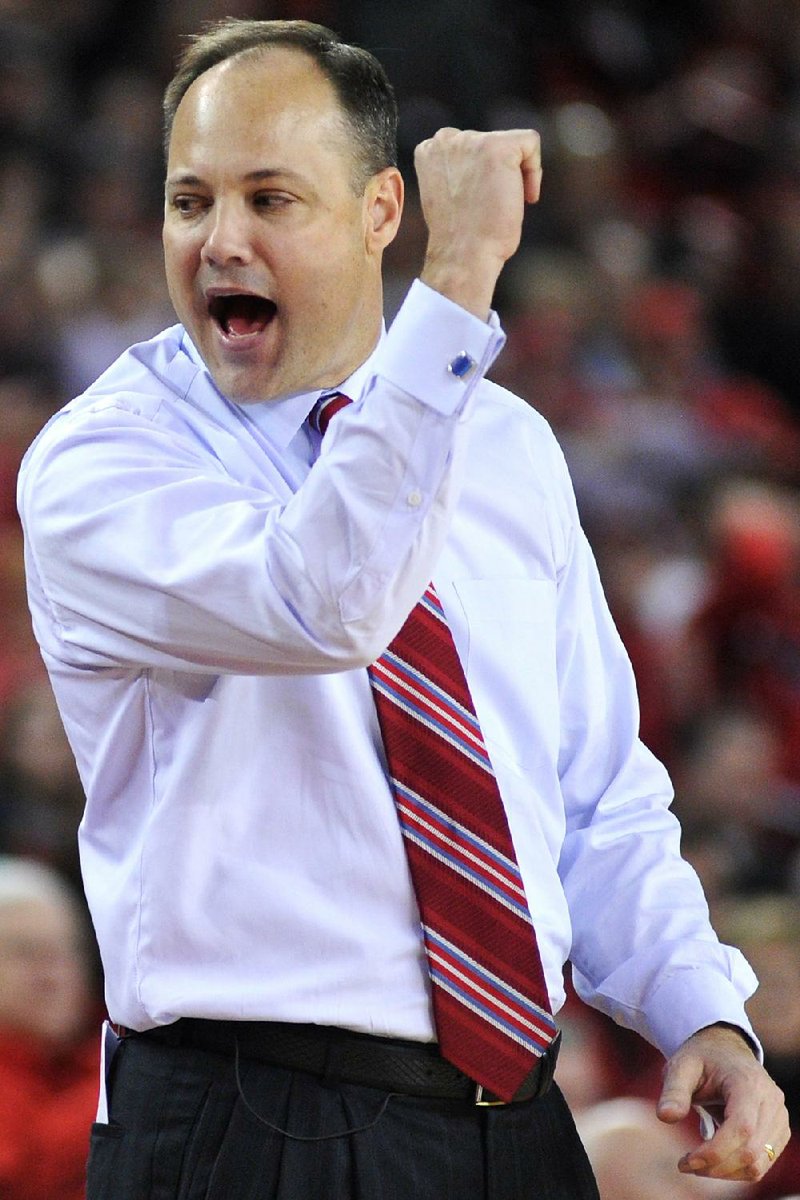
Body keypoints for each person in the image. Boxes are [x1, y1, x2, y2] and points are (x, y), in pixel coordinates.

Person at [16, 17, 789, 1200]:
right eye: (189, 201)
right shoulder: (101, 466)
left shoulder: (506, 443)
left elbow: (591, 788)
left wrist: (700, 1008)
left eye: (271, 198)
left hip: (517, 1119)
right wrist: (457, 282)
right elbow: (326, 599)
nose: (221, 240)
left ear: (380, 210)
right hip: (245, 1124)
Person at [0, 856, 99, 1200]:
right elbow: (28, 1173)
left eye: (66, 952)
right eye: (26, 952)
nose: (52, 974)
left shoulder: (107, 1056)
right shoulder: (118, 1072)